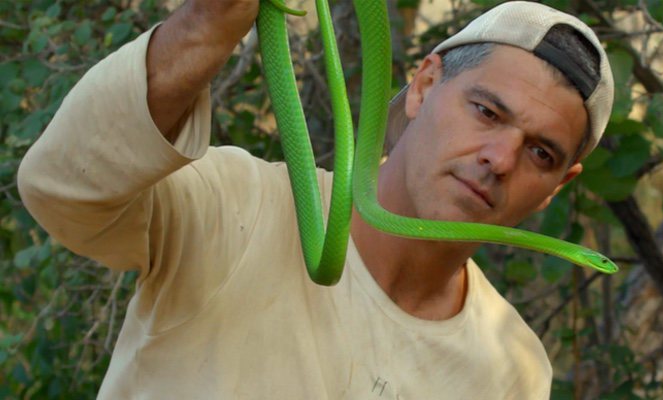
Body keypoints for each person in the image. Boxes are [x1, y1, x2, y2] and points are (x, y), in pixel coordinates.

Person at [17, 0, 613, 398]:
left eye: (541, 153)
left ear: (558, 187)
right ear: (424, 85)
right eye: (485, 111)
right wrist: (207, 21)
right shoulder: (239, 202)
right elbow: (63, 190)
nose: (499, 159)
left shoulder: (512, 372)